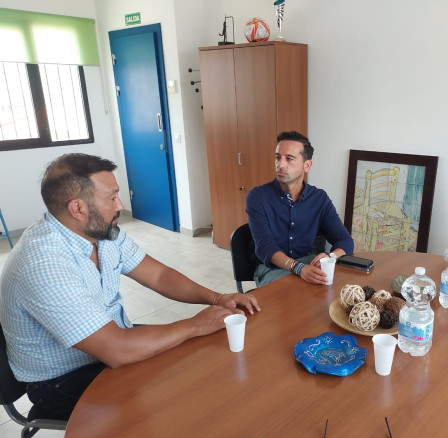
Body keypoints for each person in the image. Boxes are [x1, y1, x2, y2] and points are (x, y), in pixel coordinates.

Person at [0, 153, 259, 421]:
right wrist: (195, 324)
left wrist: (216, 298)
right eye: (112, 198)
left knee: (197, 359)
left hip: (111, 343)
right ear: (77, 208)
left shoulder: (101, 233)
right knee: (176, 394)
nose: (121, 205)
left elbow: (158, 275)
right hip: (61, 380)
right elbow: (117, 350)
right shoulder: (42, 263)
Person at [246, 131, 354, 286]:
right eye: (278, 157)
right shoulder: (257, 197)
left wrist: (330, 257)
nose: (280, 164)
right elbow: (265, 247)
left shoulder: (319, 198)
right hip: (272, 269)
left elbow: (345, 241)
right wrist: (298, 268)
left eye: (289, 159)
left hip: (309, 263)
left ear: (307, 165)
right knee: (299, 300)